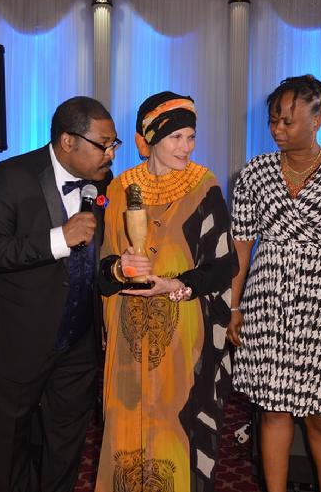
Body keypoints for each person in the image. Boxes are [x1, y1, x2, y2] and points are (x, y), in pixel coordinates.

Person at [228, 75, 321, 492]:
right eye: (273, 120)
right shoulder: (254, 174)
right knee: (272, 410)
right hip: (267, 301)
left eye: (288, 122)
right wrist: (234, 307)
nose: (277, 130)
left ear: (318, 120)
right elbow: (241, 247)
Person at [0, 96, 118, 492]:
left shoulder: (108, 183)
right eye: (104, 144)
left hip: (79, 342)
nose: (111, 153)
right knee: (9, 447)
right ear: (68, 141)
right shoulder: (9, 176)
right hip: (15, 340)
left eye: (114, 145)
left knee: (67, 444)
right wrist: (59, 239)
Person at [94, 91, 238, 492]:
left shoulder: (204, 186)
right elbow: (103, 274)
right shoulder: (119, 188)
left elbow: (226, 265)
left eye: (191, 137)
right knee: (125, 425)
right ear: (151, 138)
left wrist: (178, 283)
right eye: (176, 138)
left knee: (175, 427)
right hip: (127, 337)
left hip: (182, 336)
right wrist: (121, 269)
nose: (186, 147)